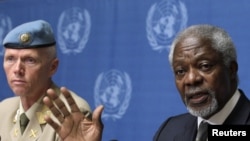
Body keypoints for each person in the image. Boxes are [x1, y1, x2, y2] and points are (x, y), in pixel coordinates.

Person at [44, 24, 250, 141]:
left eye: (204, 66)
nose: (191, 79)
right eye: (180, 71)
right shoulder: (170, 130)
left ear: (231, 70)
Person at [0, 20, 92, 141]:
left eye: (30, 60)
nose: (17, 69)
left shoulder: (71, 113)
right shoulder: (3, 109)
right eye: (10, 59)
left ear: (52, 67)